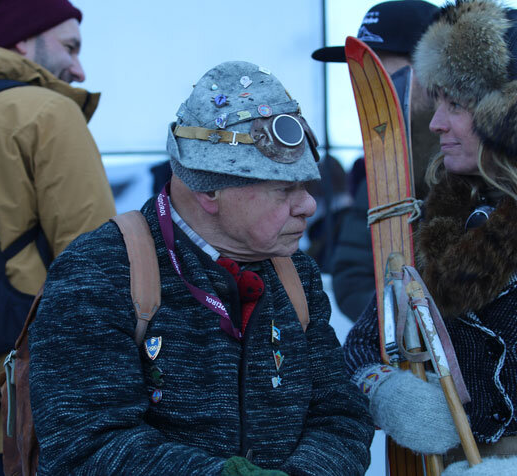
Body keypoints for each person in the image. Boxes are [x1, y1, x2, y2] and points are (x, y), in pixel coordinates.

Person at [27, 61, 373, 475]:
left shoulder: (296, 274)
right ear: (210, 187)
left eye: (307, 186)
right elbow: (84, 443)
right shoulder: (99, 271)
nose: (309, 206)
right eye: (285, 190)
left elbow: (341, 415)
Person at [345, 0, 517, 474]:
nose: (436, 123)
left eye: (457, 105)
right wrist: (387, 391)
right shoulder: (433, 217)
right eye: (437, 102)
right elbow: (359, 348)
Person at [0, 0, 115, 474]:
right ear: (21, 39)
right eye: (69, 45)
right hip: (16, 424)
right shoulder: (46, 113)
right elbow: (97, 271)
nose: (78, 68)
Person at [312, 0, 440, 321]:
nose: (367, 90)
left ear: (434, 72)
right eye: (359, 74)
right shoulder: (385, 164)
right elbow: (351, 275)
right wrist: (406, 327)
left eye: (380, 73)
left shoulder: (478, 158)